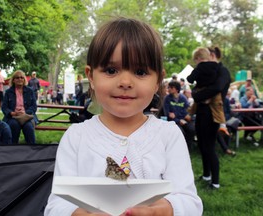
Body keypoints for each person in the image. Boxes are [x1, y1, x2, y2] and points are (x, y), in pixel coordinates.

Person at [45, 18, 203, 216]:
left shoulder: (169, 135)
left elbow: (189, 202)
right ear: (91, 76)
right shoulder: (76, 137)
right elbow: (57, 204)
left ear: (158, 82)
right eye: (111, 70)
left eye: (140, 71)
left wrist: (162, 211)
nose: (126, 82)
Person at [191, 46, 231, 189]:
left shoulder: (222, 71)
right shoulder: (207, 71)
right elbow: (195, 89)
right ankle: (206, 174)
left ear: (212, 55)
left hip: (212, 114)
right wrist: (197, 96)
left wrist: (197, 96)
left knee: (209, 147)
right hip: (201, 111)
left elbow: (217, 88)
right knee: (202, 145)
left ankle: (215, 182)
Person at [2, 70, 37, 144]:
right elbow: (4, 107)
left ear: (24, 79)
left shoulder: (30, 91)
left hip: (26, 116)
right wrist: (12, 113)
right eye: (17, 78)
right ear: (13, 80)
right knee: (14, 125)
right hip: (13, 117)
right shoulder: (8, 92)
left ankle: (32, 150)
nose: (20, 79)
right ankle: (13, 149)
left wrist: (25, 112)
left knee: (29, 127)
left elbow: (34, 106)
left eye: (22, 77)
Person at [163, 81, 195, 150]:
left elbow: (186, 111)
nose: (169, 89)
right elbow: (167, 113)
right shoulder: (167, 99)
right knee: (180, 132)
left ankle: (188, 148)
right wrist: (178, 119)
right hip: (173, 121)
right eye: (168, 87)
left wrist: (176, 114)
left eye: (171, 87)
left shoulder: (183, 98)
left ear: (176, 89)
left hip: (183, 119)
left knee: (191, 129)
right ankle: (179, 149)